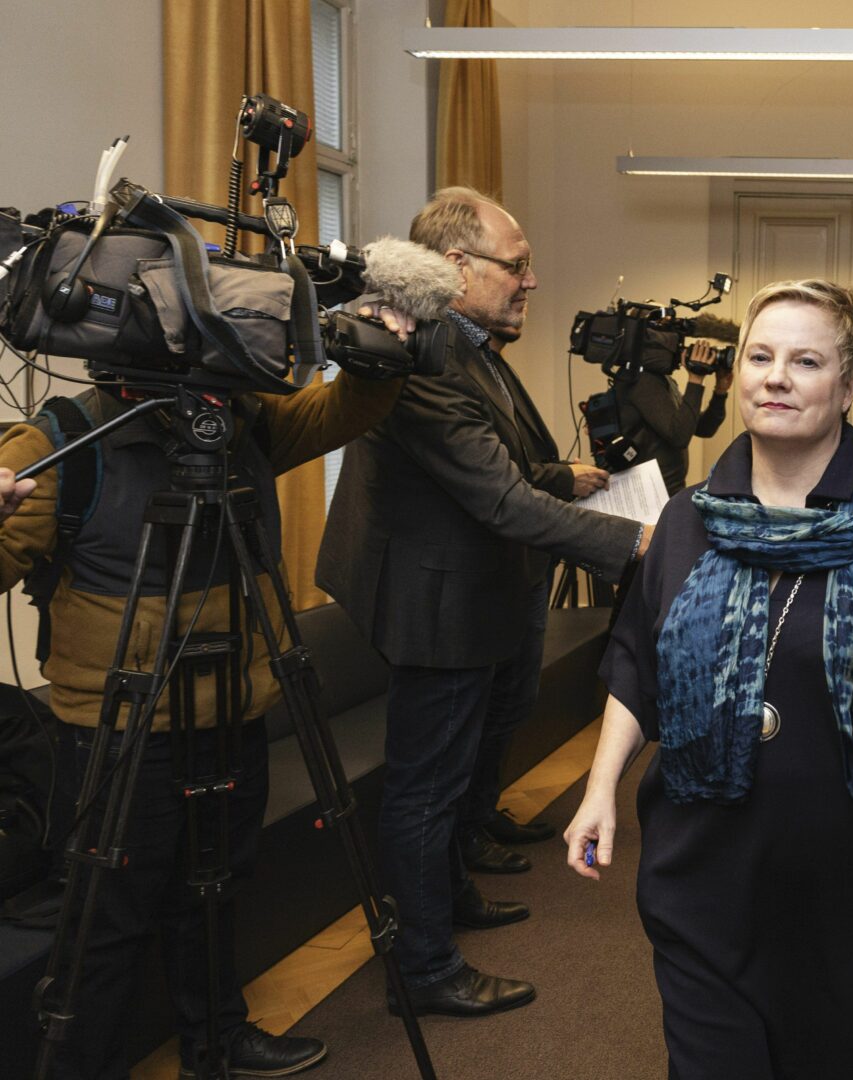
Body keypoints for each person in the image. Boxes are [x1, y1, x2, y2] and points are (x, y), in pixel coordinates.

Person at [564, 279, 853, 1079]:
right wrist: (599, 790)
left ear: (849, 384)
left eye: (806, 361)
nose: (776, 377)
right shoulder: (688, 517)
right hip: (705, 870)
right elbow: (635, 664)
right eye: (760, 357)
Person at [0, 358, 409, 1078]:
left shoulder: (243, 420)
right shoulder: (60, 440)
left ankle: (218, 1040)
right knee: (107, 918)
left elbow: (344, 409)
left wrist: (380, 353)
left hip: (233, 710)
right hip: (118, 731)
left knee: (215, 892)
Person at [318, 187, 649, 1019]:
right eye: (518, 265)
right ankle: (423, 971)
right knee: (425, 791)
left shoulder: (466, 343)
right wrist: (641, 545)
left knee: (454, 776)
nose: (530, 281)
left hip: (466, 593)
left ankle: (448, 899)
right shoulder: (424, 350)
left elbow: (503, 466)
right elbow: (499, 499)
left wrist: (561, 483)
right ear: (458, 267)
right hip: (435, 605)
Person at [615, 339, 733, 494]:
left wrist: (720, 392)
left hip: (667, 491)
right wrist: (696, 379)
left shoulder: (664, 380)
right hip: (649, 495)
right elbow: (679, 436)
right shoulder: (641, 380)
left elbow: (703, 428)